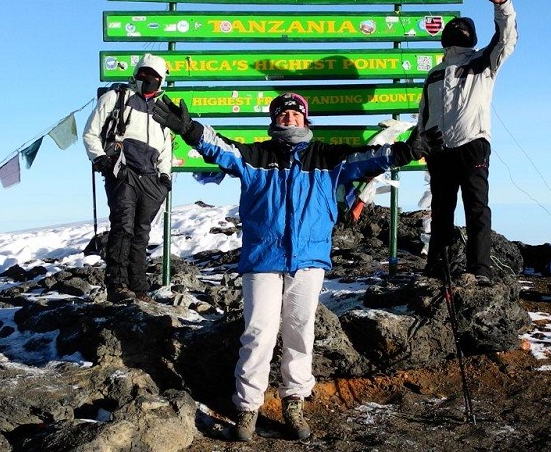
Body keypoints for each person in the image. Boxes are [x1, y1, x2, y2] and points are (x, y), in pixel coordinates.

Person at [151, 91, 441, 442]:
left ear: (306, 119)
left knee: (300, 333)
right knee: (258, 333)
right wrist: (188, 128)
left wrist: (405, 151)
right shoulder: (256, 155)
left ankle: (294, 402)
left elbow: (369, 159)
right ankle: (247, 408)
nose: (289, 117)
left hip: (308, 260)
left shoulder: (328, 157)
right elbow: (219, 147)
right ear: (274, 121)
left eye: (295, 112)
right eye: (282, 113)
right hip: (262, 259)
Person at [417, 0, 518, 285]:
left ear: (471, 38)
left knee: (476, 208)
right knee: (441, 209)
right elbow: (424, 111)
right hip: (439, 150)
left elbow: (506, 39)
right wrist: (420, 142)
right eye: (454, 29)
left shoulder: (483, 61)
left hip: (473, 142)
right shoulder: (434, 73)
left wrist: (503, 7)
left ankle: (480, 268)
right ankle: (437, 266)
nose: (458, 32)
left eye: (463, 29)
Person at [83, 53, 173, 304]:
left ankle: (139, 287)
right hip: (122, 171)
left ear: (162, 80)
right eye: (144, 73)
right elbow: (91, 132)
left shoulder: (161, 110)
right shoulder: (116, 98)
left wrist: (164, 179)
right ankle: (117, 286)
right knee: (123, 227)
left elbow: (166, 149)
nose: (148, 79)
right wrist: (100, 159)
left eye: (154, 76)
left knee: (141, 233)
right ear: (136, 73)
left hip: (151, 178)